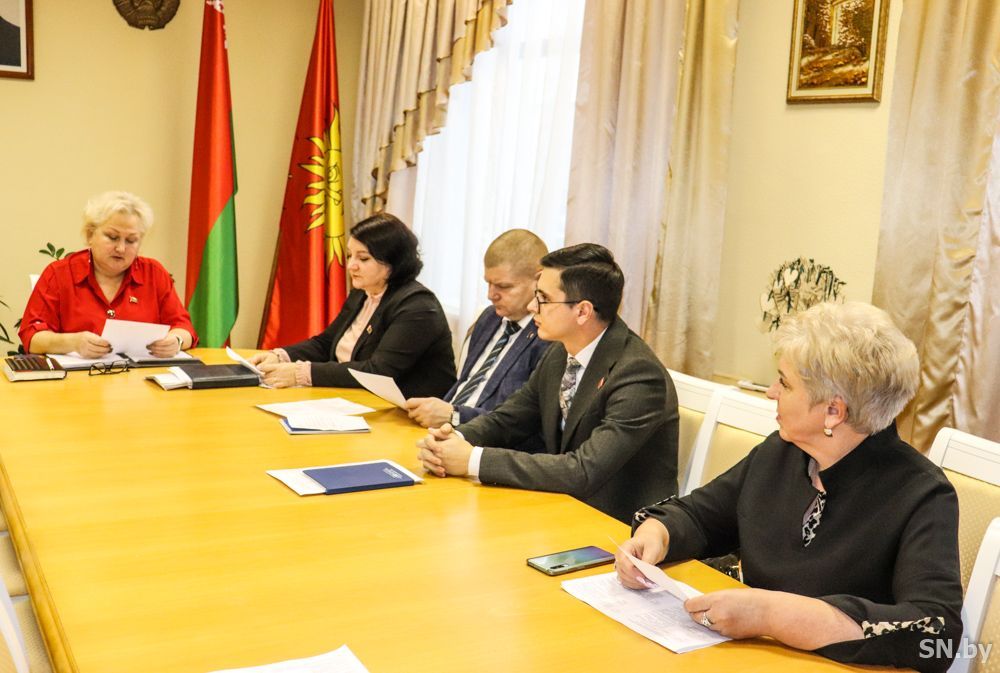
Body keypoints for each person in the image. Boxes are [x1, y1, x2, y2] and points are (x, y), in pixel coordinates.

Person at [615, 302, 962, 673]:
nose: (771, 392)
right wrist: (656, 536)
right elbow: (699, 516)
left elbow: (936, 633)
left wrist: (771, 615)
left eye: (785, 382)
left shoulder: (921, 494)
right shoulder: (781, 452)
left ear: (834, 412)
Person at [417, 243, 678, 523]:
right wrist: (452, 440)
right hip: (561, 505)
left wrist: (472, 460)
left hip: (618, 525)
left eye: (542, 298)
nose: (532, 307)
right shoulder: (560, 351)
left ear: (582, 312)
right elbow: (509, 419)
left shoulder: (638, 375)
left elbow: (584, 470)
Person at [250, 213, 455, 397]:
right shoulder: (362, 292)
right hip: (353, 399)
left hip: (405, 413)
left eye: (363, 258)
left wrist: (300, 373)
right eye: (350, 255)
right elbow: (325, 344)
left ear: (393, 262)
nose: (351, 266)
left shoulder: (418, 307)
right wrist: (280, 356)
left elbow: (378, 372)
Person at [20, 191, 197, 358]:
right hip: (77, 378)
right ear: (90, 235)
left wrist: (176, 340)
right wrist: (73, 342)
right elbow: (31, 337)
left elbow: (184, 328)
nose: (121, 248)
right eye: (112, 237)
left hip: (141, 377)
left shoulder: (154, 274)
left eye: (131, 240)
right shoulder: (59, 274)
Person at [404, 229, 551, 429]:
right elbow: (464, 385)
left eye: (503, 286)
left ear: (539, 279)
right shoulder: (489, 318)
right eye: (488, 283)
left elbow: (522, 422)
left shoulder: (548, 337)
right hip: (441, 430)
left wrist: (455, 416)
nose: (491, 295)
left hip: (481, 439)